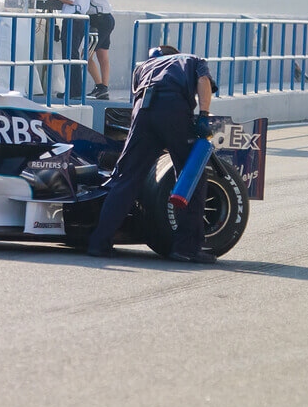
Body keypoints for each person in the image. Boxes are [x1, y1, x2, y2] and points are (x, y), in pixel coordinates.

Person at [86, 44, 218, 263]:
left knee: (126, 177)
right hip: (173, 107)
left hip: (142, 111)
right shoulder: (193, 59)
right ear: (176, 54)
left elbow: (135, 97)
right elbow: (203, 82)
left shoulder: (143, 66)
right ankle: (186, 248)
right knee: (191, 175)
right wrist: (203, 114)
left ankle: (100, 242)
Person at [42, 0, 91, 100]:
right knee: (73, 56)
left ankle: (73, 91)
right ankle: (73, 89)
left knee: (69, 56)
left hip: (73, 20)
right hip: (79, 19)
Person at [76, 0, 115, 100]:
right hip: (107, 18)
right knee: (102, 56)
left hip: (98, 21)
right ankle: (103, 88)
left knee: (85, 55)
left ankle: (100, 86)